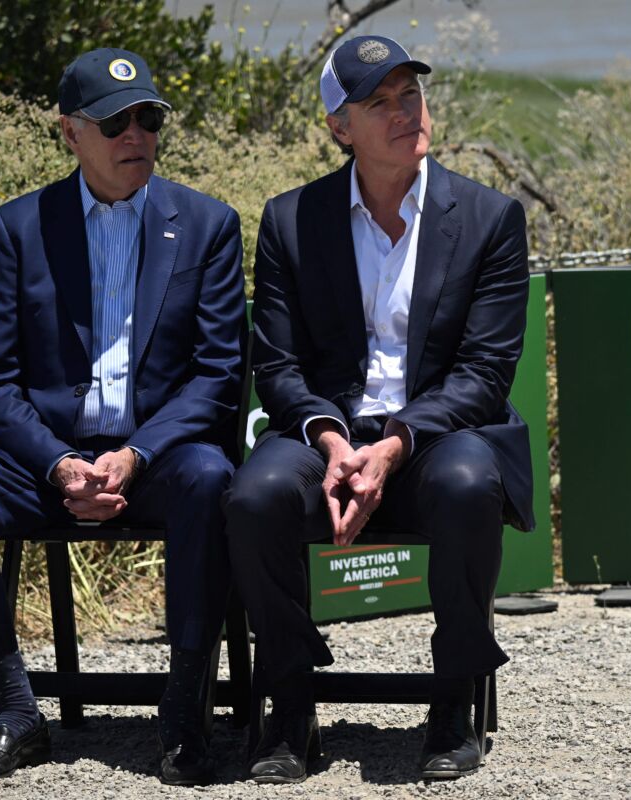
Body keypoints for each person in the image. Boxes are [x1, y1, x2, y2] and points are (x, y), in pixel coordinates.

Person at [0, 48, 246, 786]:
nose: (137, 135)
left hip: (160, 454)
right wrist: (59, 463)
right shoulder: (20, 227)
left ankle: (185, 709)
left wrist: (135, 456)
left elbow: (218, 374)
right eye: (114, 122)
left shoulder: (206, 224)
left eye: (149, 118)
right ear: (69, 134)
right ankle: (14, 707)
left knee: (211, 479)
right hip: (48, 454)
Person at [224, 35, 534, 783]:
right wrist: (332, 439)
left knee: (467, 485)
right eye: (379, 103)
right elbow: (279, 365)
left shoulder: (490, 218)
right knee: (255, 496)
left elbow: (485, 373)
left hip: (437, 431)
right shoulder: (292, 219)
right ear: (340, 126)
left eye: (410, 96)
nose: (405, 114)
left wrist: (396, 442)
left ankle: (452, 703)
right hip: (330, 428)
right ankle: (291, 706)